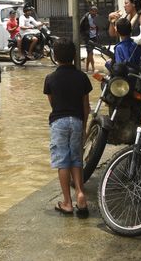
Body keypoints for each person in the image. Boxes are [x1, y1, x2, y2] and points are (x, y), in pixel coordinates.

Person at [43, 37, 92, 218]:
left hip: (59, 122)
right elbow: (86, 106)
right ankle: (80, 193)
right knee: (76, 159)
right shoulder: (82, 77)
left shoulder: (50, 79)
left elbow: (53, 104)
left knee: (62, 162)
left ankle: (67, 202)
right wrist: (85, 126)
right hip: (77, 121)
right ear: (74, 56)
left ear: (55, 57)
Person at [79, 6, 99, 73]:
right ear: (90, 11)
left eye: (96, 11)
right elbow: (80, 27)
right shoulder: (86, 18)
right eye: (93, 11)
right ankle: (93, 68)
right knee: (90, 52)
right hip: (88, 37)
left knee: (89, 53)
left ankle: (87, 69)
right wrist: (84, 35)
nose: (95, 13)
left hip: (94, 37)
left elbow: (99, 26)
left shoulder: (97, 17)